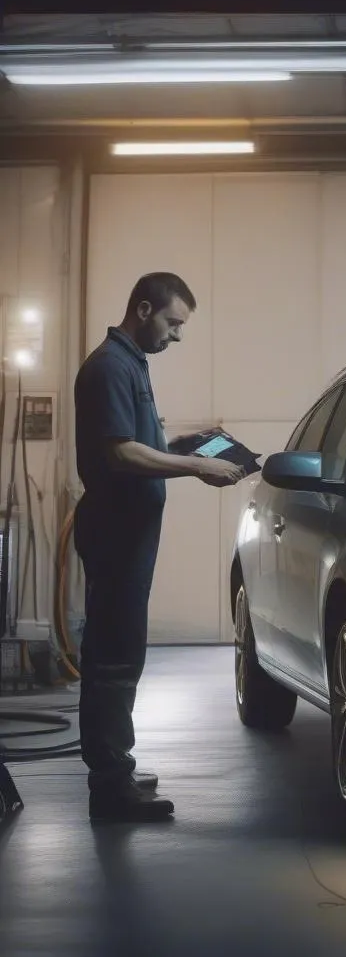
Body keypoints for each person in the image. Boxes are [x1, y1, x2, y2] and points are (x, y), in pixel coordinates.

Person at [74, 272, 244, 822]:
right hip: (115, 533)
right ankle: (110, 785)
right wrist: (197, 466)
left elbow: (137, 443)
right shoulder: (108, 367)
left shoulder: (131, 365)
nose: (177, 336)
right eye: (173, 323)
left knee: (124, 649)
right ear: (143, 309)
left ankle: (116, 769)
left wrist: (180, 443)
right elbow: (120, 455)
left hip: (131, 535)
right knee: (113, 656)